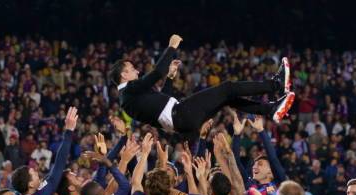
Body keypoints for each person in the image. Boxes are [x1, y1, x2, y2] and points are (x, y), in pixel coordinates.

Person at [109, 34, 294, 143]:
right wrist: (171, 47)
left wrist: (170, 78)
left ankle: (271, 109)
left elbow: (162, 102)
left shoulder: (130, 97)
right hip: (181, 115)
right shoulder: (128, 91)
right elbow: (157, 72)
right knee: (228, 88)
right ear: (123, 75)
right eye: (132, 69)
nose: (137, 70)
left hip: (181, 120)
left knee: (228, 98)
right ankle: (276, 84)